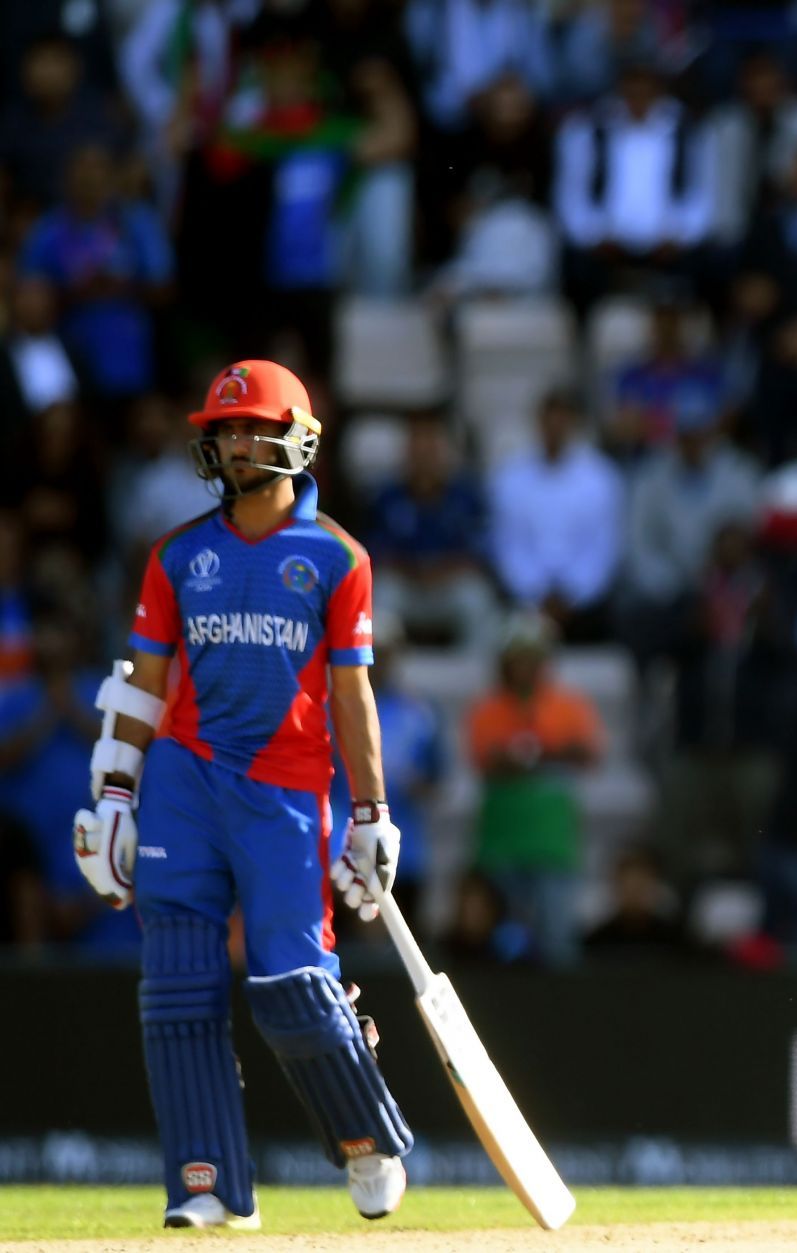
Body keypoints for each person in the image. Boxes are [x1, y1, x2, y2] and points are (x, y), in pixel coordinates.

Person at [68, 361, 411, 1229]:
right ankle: (207, 1181)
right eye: (222, 429)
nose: (230, 442)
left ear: (295, 437)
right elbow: (143, 683)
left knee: (291, 982)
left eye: (248, 426)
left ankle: (365, 1135)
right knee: (178, 979)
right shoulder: (178, 554)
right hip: (186, 775)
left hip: (286, 787)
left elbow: (351, 695)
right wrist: (115, 793)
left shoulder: (337, 557)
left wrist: (371, 814)